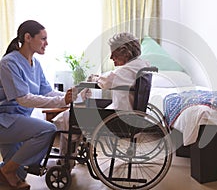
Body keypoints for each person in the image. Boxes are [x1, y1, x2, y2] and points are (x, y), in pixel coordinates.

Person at [54, 32, 150, 170]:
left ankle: (66, 160)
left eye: (114, 53)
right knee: (80, 110)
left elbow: (106, 81)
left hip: (119, 119)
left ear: (126, 53)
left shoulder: (128, 69)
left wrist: (92, 80)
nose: (111, 57)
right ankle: (73, 150)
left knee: (67, 117)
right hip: (127, 114)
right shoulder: (140, 65)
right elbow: (111, 78)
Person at [0, 20, 76, 190]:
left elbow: (47, 91)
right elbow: (23, 99)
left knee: (19, 174)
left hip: (17, 120)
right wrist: (63, 101)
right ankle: (7, 169)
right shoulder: (9, 63)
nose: (46, 43)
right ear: (28, 37)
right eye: (43, 39)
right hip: (4, 121)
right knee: (47, 130)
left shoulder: (36, 63)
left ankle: (7, 170)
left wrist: (69, 97)